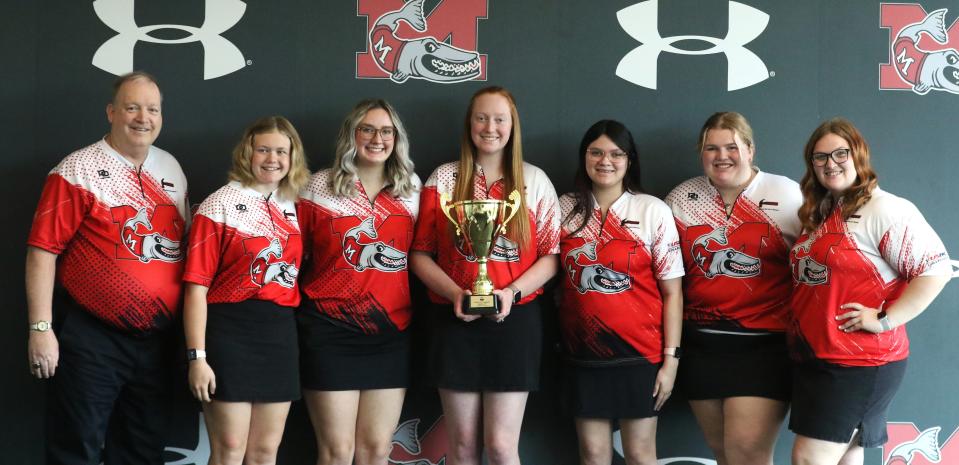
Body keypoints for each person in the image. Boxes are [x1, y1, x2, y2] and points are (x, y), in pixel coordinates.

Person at [25, 71, 189, 465]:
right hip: (92, 337)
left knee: (143, 449)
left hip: (155, 341)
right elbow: (41, 251)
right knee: (75, 447)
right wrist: (41, 329)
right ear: (111, 112)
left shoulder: (170, 167)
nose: (142, 117)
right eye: (132, 107)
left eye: (152, 109)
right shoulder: (77, 170)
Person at [410, 86, 560, 465]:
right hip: (453, 318)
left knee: (501, 446)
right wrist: (455, 294)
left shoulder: (535, 180)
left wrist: (511, 293)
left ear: (513, 126)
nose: (490, 127)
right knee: (461, 446)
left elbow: (551, 257)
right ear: (469, 124)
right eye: (481, 117)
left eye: (499, 119)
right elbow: (420, 254)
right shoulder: (443, 179)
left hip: (515, 321)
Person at [788, 118, 951, 465]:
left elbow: (936, 270)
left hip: (858, 362)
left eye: (839, 153)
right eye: (820, 157)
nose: (830, 163)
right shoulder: (823, 212)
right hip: (819, 356)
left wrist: (885, 319)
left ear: (858, 155)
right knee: (848, 457)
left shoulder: (884, 209)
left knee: (809, 459)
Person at [664, 112, 802, 465]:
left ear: (750, 150)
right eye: (711, 148)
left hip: (763, 348)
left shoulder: (785, 193)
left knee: (748, 455)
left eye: (731, 147)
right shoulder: (681, 197)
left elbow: (817, 265)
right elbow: (666, 275)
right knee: (724, 455)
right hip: (702, 346)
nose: (721, 156)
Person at [296, 99, 420, 465]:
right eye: (367, 129)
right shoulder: (317, 187)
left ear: (397, 138)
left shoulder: (412, 188)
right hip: (329, 331)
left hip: (391, 333)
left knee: (376, 451)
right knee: (336, 452)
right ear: (351, 135)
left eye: (386, 131)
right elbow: (291, 254)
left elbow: (423, 255)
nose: (377, 139)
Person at [183, 116, 309, 465]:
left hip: (279, 334)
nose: (272, 159)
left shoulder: (295, 205)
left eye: (281, 151)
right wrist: (198, 357)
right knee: (230, 451)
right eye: (263, 149)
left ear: (292, 156)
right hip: (229, 334)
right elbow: (195, 288)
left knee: (265, 452)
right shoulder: (219, 205)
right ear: (247, 153)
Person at [558, 120, 684, 465]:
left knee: (641, 455)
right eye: (595, 152)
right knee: (593, 454)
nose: (605, 161)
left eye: (616, 153)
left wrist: (670, 361)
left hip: (639, 356)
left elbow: (673, 293)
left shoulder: (652, 210)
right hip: (584, 353)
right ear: (584, 157)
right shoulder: (564, 208)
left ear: (630, 160)